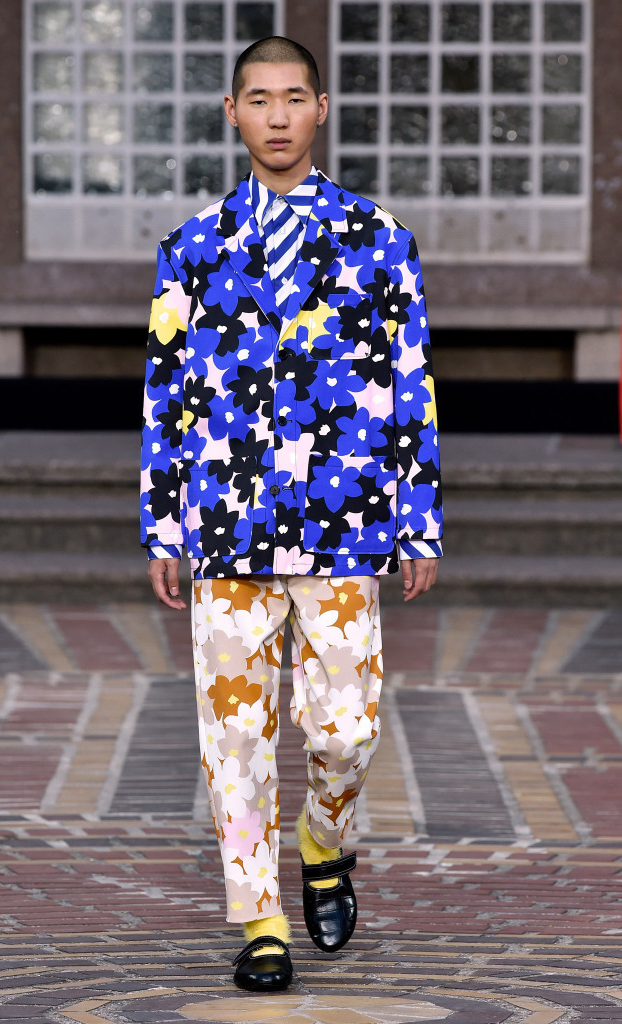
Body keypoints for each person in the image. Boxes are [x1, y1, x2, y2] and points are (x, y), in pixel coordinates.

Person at [140, 36, 442, 992]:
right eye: (258, 98)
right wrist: (162, 522)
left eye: (293, 97)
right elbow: (167, 392)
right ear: (232, 112)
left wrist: (417, 517)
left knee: (344, 730)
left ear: (320, 109)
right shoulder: (192, 247)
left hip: (343, 520)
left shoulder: (378, 238)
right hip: (226, 525)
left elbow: (409, 382)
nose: (276, 115)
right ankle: (260, 919)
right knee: (232, 736)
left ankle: (323, 840)